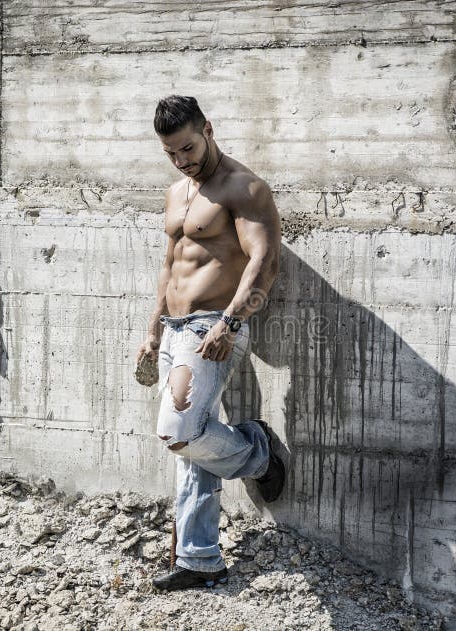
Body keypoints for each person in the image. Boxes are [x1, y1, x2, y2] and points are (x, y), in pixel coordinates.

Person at [135, 95, 285, 591]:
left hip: (211, 330)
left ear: (209, 129)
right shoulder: (177, 192)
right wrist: (153, 330)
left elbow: (264, 260)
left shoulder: (244, 188)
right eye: (171, 153)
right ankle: (200, 559)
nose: (182, 160)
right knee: (192, 441)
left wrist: (232, 323)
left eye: (188, 148)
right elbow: (169, 264)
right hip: (176, 329)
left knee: (177, 431)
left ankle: (257, 453)